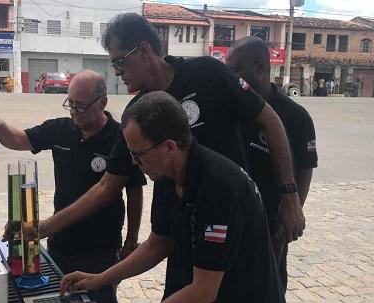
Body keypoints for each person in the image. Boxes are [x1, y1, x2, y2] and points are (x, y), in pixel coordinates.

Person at [38, 13, 305, 251]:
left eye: (120, 61)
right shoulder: (137, 113)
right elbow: (108, 185)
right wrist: (47, 227)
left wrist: (289, 195)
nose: (117, 72)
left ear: (144, 49)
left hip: (234, 222)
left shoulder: (208, 74)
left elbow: (270, 121)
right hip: (180, 232)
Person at [60, 92, 288, 303]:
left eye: (138, 154)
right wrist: (101, 278)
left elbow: (204, 290)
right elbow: (158, 244)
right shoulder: (167, 173)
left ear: (169, 147)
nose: (134, 163)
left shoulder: (220, 188)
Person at [0, 70, 146, 303]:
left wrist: (130, 241)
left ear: (103, 102)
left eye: (81, 107)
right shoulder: (61, 129)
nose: (74, 112)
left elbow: (134, 191)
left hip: (101, 248)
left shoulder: (120, 138)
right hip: (60, 243)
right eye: (71, 104)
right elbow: (20, 140)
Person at [226, 36, 318, 290]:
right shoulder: (232, 109)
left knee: (267, 292)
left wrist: (291, 210)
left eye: (235, 71)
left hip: (271, 223)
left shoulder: (295, 116)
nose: (230, 78)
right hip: (233, 219)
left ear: (260, 67)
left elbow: (305, 168)